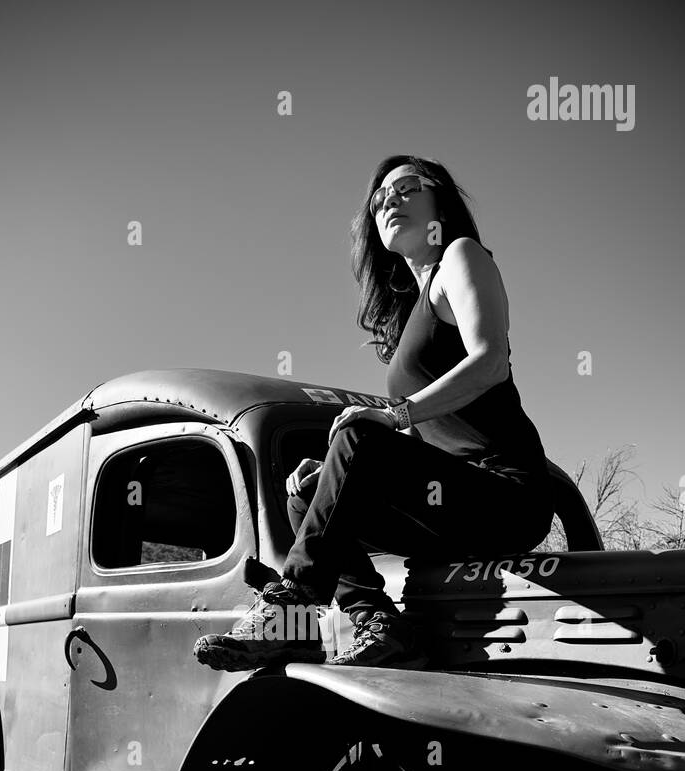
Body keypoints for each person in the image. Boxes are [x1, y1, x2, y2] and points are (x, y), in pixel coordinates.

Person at [193, 154, 555, 672]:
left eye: (407, 188)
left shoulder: (461, 256)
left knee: (359, 434)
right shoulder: (409, 313)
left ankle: (289, 609)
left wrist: (395, 416)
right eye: (380, 197)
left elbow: (491, 361)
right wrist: (340, 473)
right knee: (304, 496)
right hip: (451, 506)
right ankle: (379, 625)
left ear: (440, 201)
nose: (390, 201)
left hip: (505, 494)